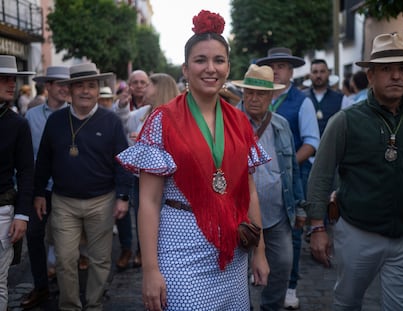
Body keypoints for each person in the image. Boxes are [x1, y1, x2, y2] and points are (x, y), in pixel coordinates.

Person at [116, 10, 269, 310]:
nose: (210, 68)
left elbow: (248, 191)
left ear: (228, 67)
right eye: (201, 60)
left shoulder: (239, 122)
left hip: (232, 251)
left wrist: (260, 251)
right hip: (180, 248)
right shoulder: (163, 120)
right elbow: (148, 201)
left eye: (218, 60)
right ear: (185, 69)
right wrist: (149, 270)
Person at [307, 33, 403, 310]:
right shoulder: (346, 120)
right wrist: (317, 227)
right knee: (347, 303)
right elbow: (321, 175)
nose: (396, 76)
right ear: (371, 75)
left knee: (401, 307)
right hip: (357, 233)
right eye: (387, 69)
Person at [33, 62, 133, 310]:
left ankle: (94, 305)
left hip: (101, 200)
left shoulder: (110, 121)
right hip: (63, 201)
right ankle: (69, 306)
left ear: (98, 90)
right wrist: (38, 194)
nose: (86, 91)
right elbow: (44, 159)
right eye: (80, 86)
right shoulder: (56, 121)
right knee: (66, 260)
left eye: (91, 86)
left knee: (100, 260)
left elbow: (123, 161)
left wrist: (122, 196)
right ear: (70, 90)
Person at [233, 64, 307, 310]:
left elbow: (292, 170)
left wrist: (299, 206)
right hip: (238, 217)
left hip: (278, 215)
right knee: (237, 273)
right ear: (243, 93)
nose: (254, 98)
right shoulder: (228, 121)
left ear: (271, 95)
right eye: (250, 92)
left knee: (283, 265)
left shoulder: (281, 124)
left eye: (261, 93)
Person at [255, 47, 319, 310]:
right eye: (273, 66)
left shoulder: (301, 101)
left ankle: (289, 286)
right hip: (255, 187)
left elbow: (312, 142)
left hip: (290, 180)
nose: (277, 70)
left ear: (291, 71)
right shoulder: (253, 97)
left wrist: (286, 165)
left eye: (282, 66)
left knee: (290, 237)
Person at [115, 73, 181, 271]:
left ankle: (157, 258)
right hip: (142, 176)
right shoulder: (146, 111)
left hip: (167, 182)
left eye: (149, 84)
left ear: (160, 88)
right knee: (143, 216)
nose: (144, 88)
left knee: (161, 220)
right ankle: (146, 253)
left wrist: (145, 141)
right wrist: (122, 105)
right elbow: (125, 120)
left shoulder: (175, 114)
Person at [21, 66, 71, 309]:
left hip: (65, 187)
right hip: (39, 188)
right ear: (47, 86)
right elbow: (26, 154)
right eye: (58, 83)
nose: (64, 88)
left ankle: (66, 287)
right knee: (33, 236)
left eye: (66, 84)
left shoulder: (74, 114)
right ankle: (41, 286)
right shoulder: (31, 117)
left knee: (64, 239)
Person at [0, 55, 35, 309]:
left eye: (13, 79)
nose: (11, 84)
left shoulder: (17, 124)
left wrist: (22, 214)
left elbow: (25, 171)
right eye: (4, 79)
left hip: (2, 210)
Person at [303, 59, 351, 136]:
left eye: (322, 71)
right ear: (310, 75)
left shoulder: (342, 99)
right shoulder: (302, 98)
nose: (318, 75)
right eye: (315, 72)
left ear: (328, 73)